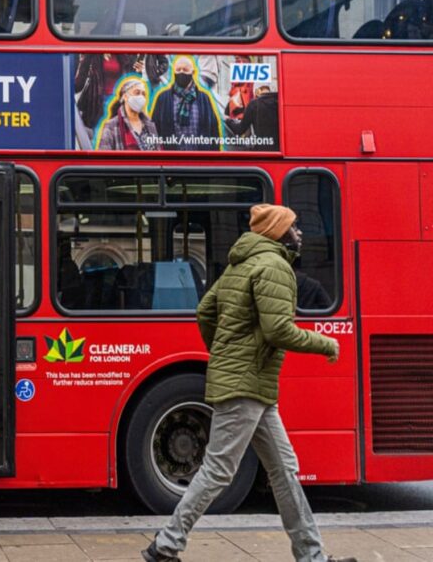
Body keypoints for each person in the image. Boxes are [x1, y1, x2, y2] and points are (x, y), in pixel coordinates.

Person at [142, 204, 356, 562]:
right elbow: (278, 330)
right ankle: (165, 545)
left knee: (284, 469)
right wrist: (326, 344)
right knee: (219, 470)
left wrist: (223, 353)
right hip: (247, 386)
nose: (300, 233)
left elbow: (204, 312)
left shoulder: (238, 265)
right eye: (294, 227)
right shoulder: (274, 267)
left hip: (251, 385)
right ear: (278, 232)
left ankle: (311, 555)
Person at [151, 56, 221, 151]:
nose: (181, 72)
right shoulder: (162, 99)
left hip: (200, 162)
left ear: (193, 72)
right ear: (174, 72)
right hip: (170, 162)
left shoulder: (204, 99)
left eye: (185, 69)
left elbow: (214, 131)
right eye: (178, 69)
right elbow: (154, 130)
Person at [98, 77, 160, 151]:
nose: (141, 97)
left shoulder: (150, 125)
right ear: (125, 96)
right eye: (137, 93)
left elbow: (158, 152)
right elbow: (104, 158)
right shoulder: (111, 127)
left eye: (143, 94)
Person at [225, 85, 279, 150]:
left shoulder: (254, 104)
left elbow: (239, 129)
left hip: (262, 149)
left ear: (257, 92)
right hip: (278, 151)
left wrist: (228, 120)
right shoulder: (278, 103)